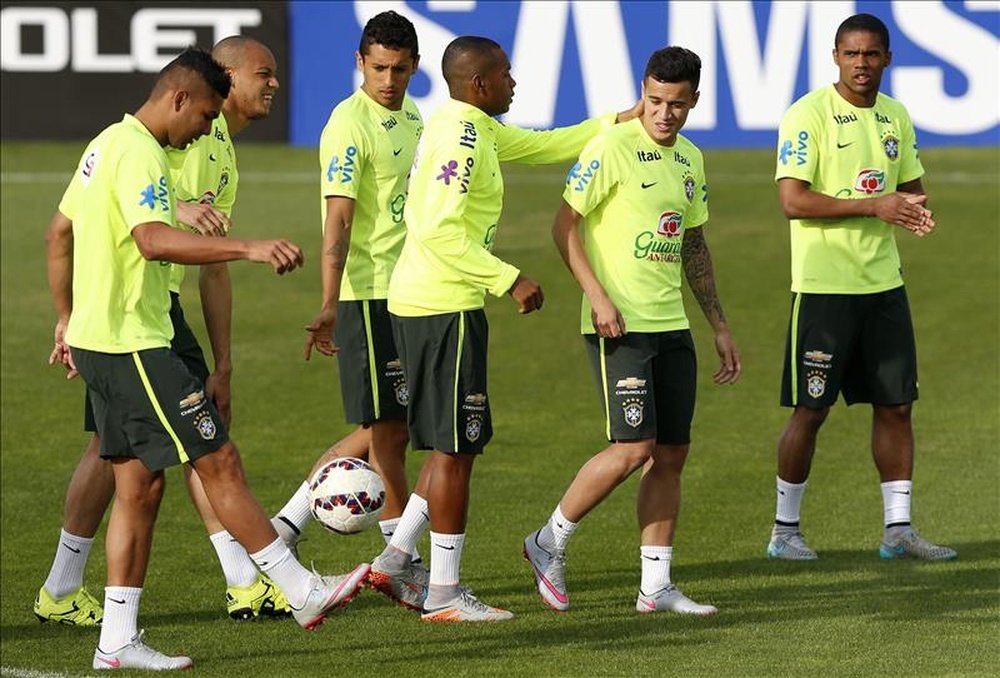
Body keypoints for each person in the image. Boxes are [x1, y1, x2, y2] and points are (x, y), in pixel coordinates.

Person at [46, 47, 369, 671]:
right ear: (178, 99)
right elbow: (150, 239)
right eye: (204, 116)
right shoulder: (139, 150)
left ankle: (116, 640)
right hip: (132, 340)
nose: (206, 130)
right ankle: (299, 589)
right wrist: (246, 247)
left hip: (104, 336)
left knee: (138, 485)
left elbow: (58, 232)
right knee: (215, 454)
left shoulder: (105, 142)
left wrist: (67, 318)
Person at [368, 35, 642, 622]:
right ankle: (443, 593)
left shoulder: (475, 126)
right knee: (458, 448)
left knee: (453, 445)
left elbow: (545, 146)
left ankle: (396, 558)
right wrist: (508, 277)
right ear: (479, 84)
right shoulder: (462, 138)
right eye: (508, 74)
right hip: (441, 308)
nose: (515, 82)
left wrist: (624, 117)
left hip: (439, 305)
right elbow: (437, 229)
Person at [37, 36, 295, 627]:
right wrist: (185, 216)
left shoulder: (216, 149)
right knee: (203, 446)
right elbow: (141, 212)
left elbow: (209, 262)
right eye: (263, 73)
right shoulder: (157, 139)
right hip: (136, 313)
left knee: (115, 448)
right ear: (220, 81)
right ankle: (257, 582)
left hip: (142, 309)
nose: (273, 84)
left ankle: (64, 588)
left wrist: (224, 359)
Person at [523, 47, 740, 616]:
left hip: (672, 326)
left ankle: (655, 587)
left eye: (676, 104)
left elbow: (693, 244)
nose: (663, 113)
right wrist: (596, 296)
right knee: (632, 447)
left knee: (670, 454)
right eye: (654, 100)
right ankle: (548, 541)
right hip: (619, 325)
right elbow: (562, 224)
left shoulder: (691, 159)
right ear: (642, 92)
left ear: (694, 100)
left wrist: (718, 325)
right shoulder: (611, 147)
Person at [766, 13, 955, 562]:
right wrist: (875, 204)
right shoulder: (808, 116)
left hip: (884, 287)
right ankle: (785, 531)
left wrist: (916, 212)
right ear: (835, 57)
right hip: (824, 289)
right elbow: (792, 201)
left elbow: (911, 187)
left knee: (897, 406)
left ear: (887, 59)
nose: (862, 64)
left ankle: (898, 531)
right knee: (811, 409)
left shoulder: (896, 117)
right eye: (852, 54)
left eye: (872, 54)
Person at [270, 12, 427, 607]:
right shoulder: (348, 124)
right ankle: (400, 558)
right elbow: (337, 218)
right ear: (360, 62)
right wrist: (331, 301)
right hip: (368, 296)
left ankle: (284, 530)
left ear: (414, 67)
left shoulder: (411, 115)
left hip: (408, 291)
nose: (389, 79)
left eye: (400, 69)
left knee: (390, 427)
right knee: (387, 432)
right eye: (379, 67)